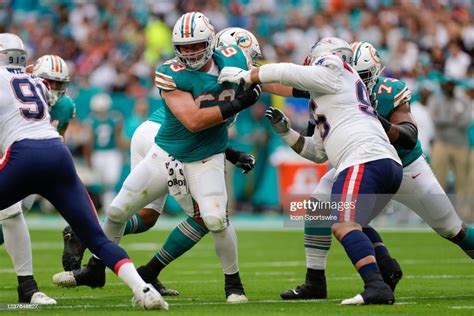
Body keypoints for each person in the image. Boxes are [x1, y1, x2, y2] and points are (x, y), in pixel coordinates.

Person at [52, 12, 262, 303]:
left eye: (196, 45)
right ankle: (98, 266)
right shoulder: (170, 71)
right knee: (116, 212)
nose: (189, 53)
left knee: (215, 219)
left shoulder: (236, 61)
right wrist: (241, 101)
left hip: (207, 156)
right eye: (183, 47)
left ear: (214, 43)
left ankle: (234, 285)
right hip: (165, 152)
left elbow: (270, 80)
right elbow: (193, 121)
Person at [281, 41, 474, 301]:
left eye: (361, 77)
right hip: (357, 162)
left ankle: (385, 268)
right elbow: (293, 93)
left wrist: (372, 119)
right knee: (321, 206)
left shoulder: (388, 91)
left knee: (452, 229)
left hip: (405, 167)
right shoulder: (330, 84)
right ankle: (316, 280)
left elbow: (408, 136)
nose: (354, 81)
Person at [219, 37, 403, 305]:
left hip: (363, 159)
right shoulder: (331, 95)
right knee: (320, 208)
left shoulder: (334, 68)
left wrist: (250, 74)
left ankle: (376, 285)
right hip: (377, 161)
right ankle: (362, 271)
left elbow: (288, 72)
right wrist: (286, 133)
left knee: (343, 223)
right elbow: (317, 153)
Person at [0, 33, 167, 310]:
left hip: (22, 156)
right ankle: (143, 289)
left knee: (11, 212)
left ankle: (27, 286)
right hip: (58, 156)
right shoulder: (35, 81)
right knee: (97, 239)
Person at [0, 54, 76, 305]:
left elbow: (59, 136)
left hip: (36, 162)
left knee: (16, 212)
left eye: (59, 84)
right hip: (10, 156)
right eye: (48, 82)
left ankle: (27, 286)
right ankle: (27, 286)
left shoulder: (65, 107)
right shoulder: (11, 90)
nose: (53, 89)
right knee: (10, 212)